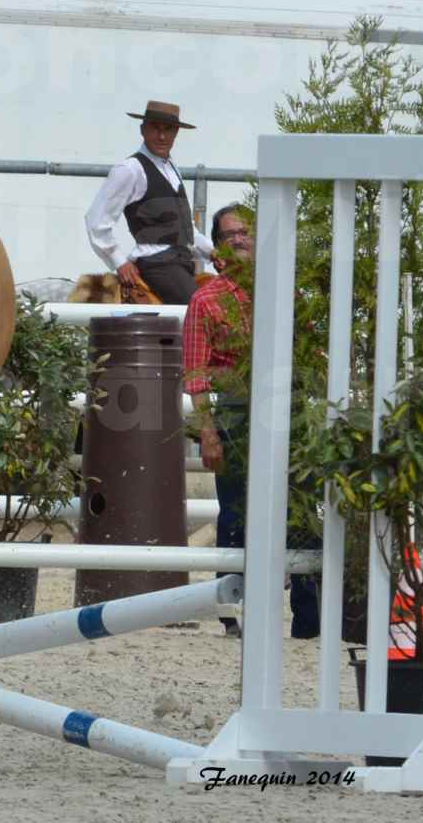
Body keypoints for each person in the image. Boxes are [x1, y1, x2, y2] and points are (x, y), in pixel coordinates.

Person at [182, 204, 319, 639]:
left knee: (301, 510)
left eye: (247, 232)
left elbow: (311, 351)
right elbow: (196, 375)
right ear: (218, 248)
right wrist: (208, 432)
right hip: (237, 411)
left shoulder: (287, 294)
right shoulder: (205, 300)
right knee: (236, 512)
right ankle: (230, 610)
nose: (240, 240)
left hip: (292, 407)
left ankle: (307, 618)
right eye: (230, 235)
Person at [84, 100, 215, 305]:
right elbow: (96, 219)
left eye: (169, 129)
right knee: (203, 308)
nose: (162, 136)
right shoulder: (129, 169)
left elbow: (186, 228)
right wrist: (118, 261)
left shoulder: (172, 168)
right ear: (142, 129)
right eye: (155, 128)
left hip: (182, 264)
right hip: (157, 266)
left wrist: (212, 252)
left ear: (176, 133)